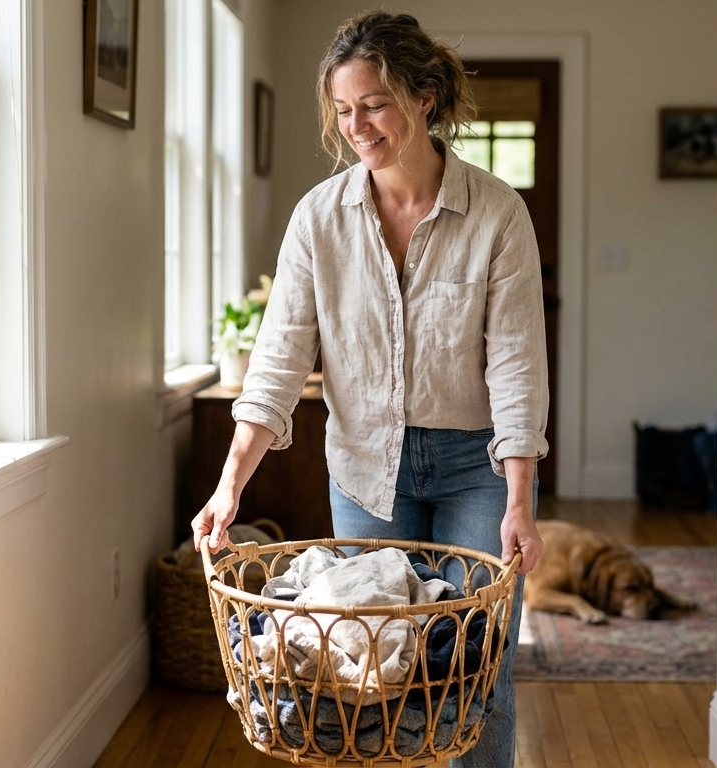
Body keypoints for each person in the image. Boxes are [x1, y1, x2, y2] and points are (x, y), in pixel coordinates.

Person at [190, 10, 549, 767]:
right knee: (370, 675)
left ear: (423, 98)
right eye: (344, 110)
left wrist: (519, 500)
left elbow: (516, 365)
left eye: (375, 105)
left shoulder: (496, 214)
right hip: (364, 471)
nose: (357, 126)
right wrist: (229, 489)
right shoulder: (318, 221)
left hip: (474, 470)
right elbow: (278, 364)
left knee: (476, 672)